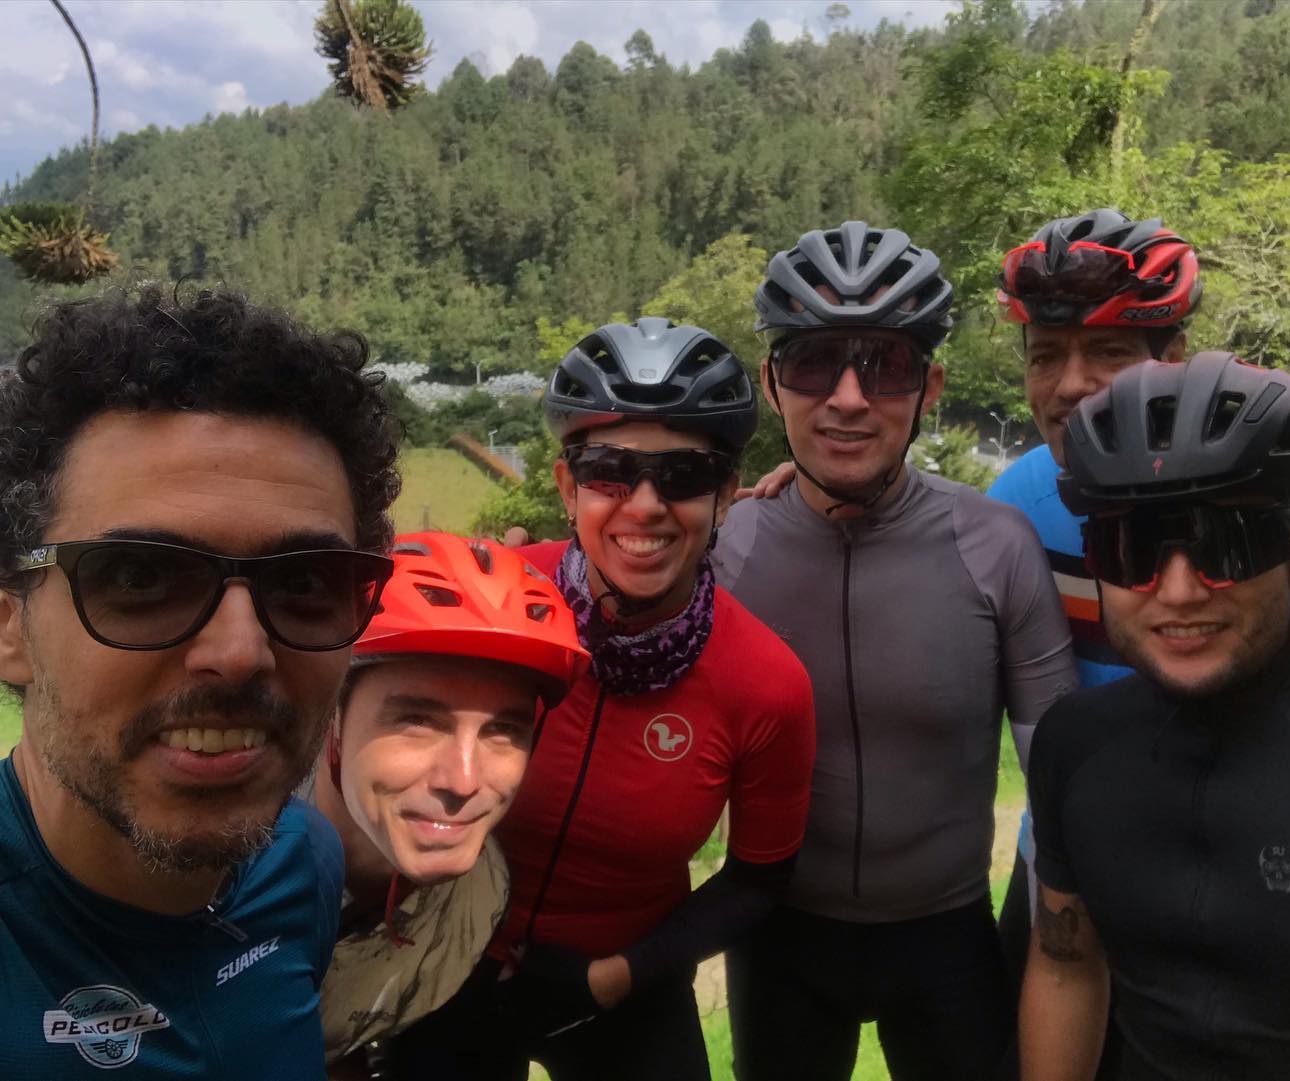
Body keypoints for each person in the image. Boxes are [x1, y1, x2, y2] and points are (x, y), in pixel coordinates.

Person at [989, 207, 1290, 981]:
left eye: (1108, 351)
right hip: (1067, 878)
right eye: (1045, 356)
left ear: (1175, 357)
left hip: (1259, 883)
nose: (1069, 385)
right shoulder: (1010, 507)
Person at [393, 317, 816, 1081]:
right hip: (444, 961)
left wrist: (612, 975)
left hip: (629, 980)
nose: (645, 504)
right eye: (610, 471)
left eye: (684, 476)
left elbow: (760, 876)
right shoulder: (489, 598)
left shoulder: (765, 680)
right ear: (567, 486)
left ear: (726, 493)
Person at [0, 284, 401, 1077]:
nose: (242, 650)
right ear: (11, 626)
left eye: (307, 581)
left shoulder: (301, 860)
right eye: (142, 575)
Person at [714, 221, 1076, 1081]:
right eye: (812, 363)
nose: (847, 397)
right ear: (773, 384)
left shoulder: (997, 544)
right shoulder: (725, 550)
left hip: (945, 937)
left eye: (885, 365)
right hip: (779, 938)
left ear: (931, 387)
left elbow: (1062, 768)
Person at [1020, 352, 1290, 1081]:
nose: (1179, 590)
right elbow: (1067, 967)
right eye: (1134, 547)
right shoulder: (1073, 743)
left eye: (1229, 544)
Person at [311, 531, 588, 1076]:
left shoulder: (478, 895)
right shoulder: (210, 879)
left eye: (504, 730)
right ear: (330, 717)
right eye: (416, 721)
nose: (463, 781)